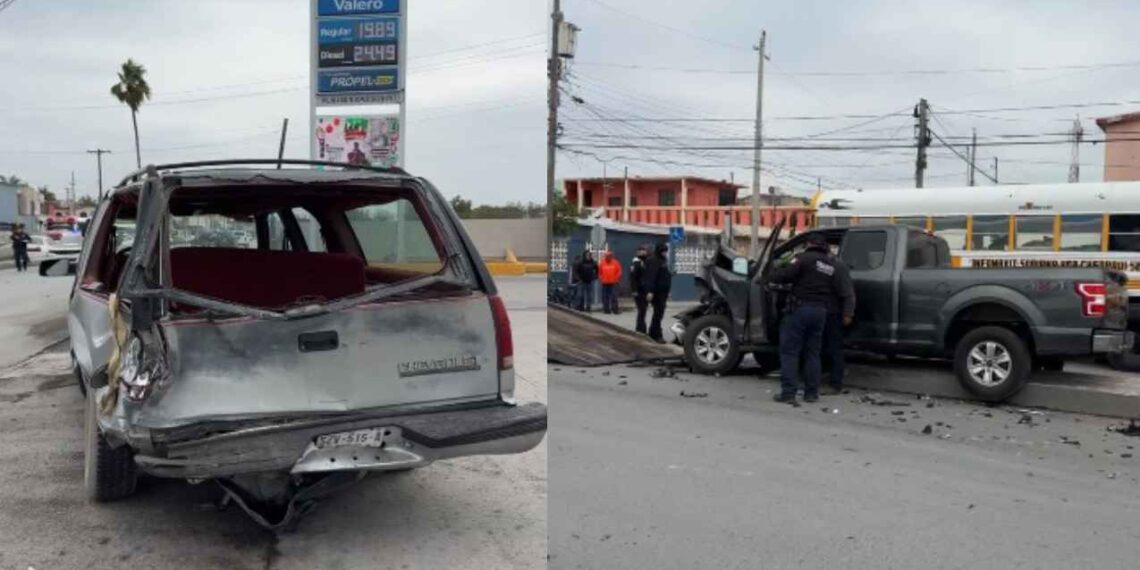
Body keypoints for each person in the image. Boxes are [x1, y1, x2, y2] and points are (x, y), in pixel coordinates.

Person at [769, 233, 848, 405]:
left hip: (800, 309)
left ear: (808, 244)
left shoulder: (803, 259)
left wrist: (770, 275)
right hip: (820, 311)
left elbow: (786, 275)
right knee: (813, 353)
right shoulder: (830, 264)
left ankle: (788, 393)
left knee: (790, 352)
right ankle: (811, 393)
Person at [822, 246, 856, 395]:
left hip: (832, 313)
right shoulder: (823, 264)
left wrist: (848, 314)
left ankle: (836, 383)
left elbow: (848, 293)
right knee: (819, 349)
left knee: (834, 349)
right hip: (822, 312)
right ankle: (822, 379)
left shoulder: (836, 265)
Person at [640, 242, 672, 343]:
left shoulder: (663, 261)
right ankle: (656, 334)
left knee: (659, 313)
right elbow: (651, 277)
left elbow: (664, 276)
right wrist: (650, 291)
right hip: (656, 292)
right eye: (663, 251)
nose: (665, 253)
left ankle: (654, 332)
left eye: (666, 251)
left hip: (663, 292)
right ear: (659, 251)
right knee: (658, 313)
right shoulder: (653, 261)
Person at [630, 244, 649, 334]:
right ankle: (640, 328)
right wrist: (634, 290)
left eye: (644, 250)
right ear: (637, 252)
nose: (643, 252)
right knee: (641, 309)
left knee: (643, 309)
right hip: (638, 290)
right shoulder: (636, 263)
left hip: (645, 290)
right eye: (641, 250)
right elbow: (633, 278)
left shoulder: (646, 262)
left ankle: (641, 328)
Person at [598, 249, 623, 314]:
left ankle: (615, 310)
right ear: (605, 256)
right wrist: (602, 279)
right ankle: (606, 310)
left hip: (613, 283)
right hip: (605, 283)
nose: (608, 257)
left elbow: (619, 271)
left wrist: (616, 278)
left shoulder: (616, 262)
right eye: (607, 256)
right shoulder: (602, 263)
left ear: (611, 256)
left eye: (610, 256)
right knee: (605, 297)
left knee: (614, 296)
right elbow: (599, 272)